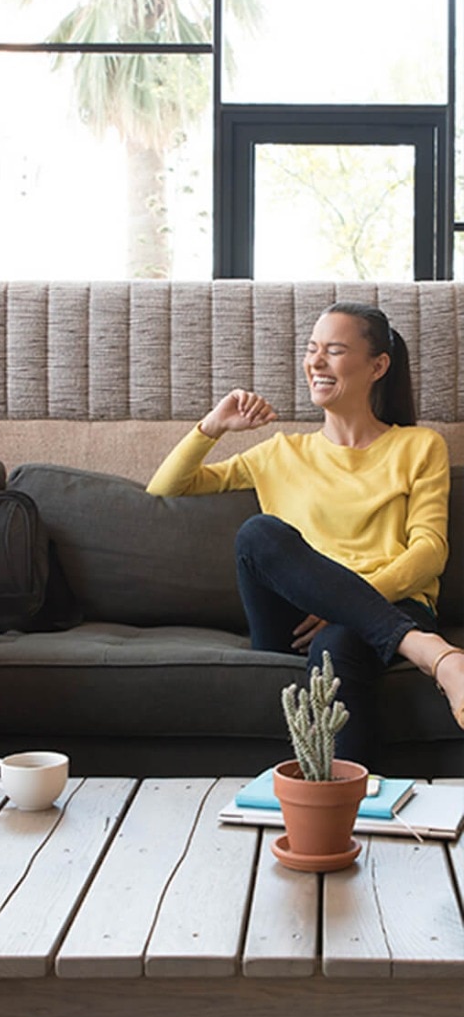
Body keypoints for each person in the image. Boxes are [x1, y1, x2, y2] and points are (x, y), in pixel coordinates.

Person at [146, 301, 463, 766]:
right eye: (312, 349)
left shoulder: (418, 446)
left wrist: (348, 604)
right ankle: (434, 654)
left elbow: (429, 551)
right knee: (258, 534)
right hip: (294, 622)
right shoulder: (279, 452)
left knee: (337, 646)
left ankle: (353, 808)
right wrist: (213, 426)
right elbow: (165, 489)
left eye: (334, 350)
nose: (315, 361)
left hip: (391, 606)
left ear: (378, 366)